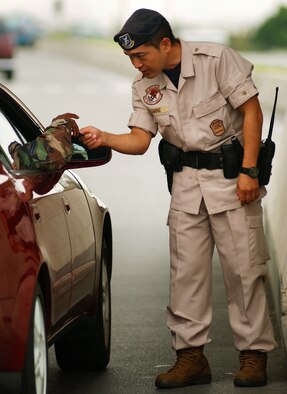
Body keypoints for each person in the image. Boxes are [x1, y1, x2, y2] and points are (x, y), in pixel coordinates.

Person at [80, 8, 277, 389]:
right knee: (185, 275)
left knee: (244, 271)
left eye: (141, 56)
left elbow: (251, 111)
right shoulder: (143, 86)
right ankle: (191, 358)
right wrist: (103, 137)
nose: (136, 66)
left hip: (232, 179)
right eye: (131, 58)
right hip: (186, 186)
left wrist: (250, 170)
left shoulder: (216, 60)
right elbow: (140, 140)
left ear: (166, 44)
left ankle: (253, 356)